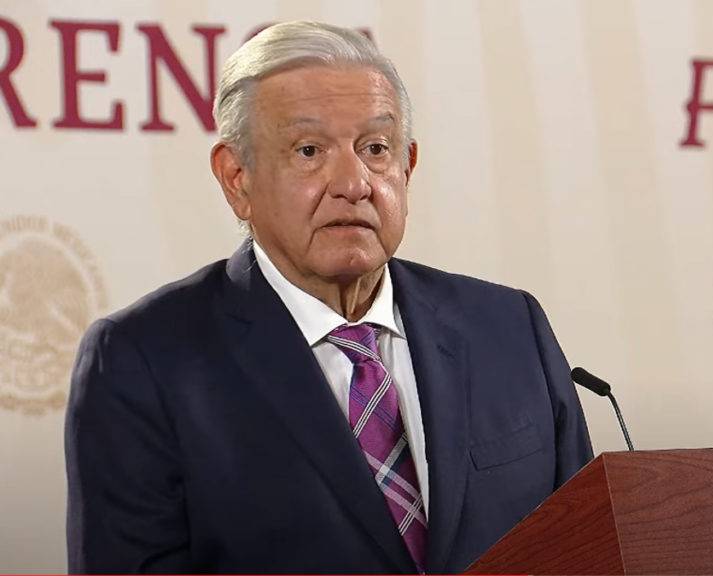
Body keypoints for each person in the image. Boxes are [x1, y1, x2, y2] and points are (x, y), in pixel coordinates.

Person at [64, 21, 593, 574]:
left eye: (376, 149)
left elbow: (587, 549)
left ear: (407, 166)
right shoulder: (143, 360)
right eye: (310, 150)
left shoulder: (510, 329)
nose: (354, 183)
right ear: (237, 178)